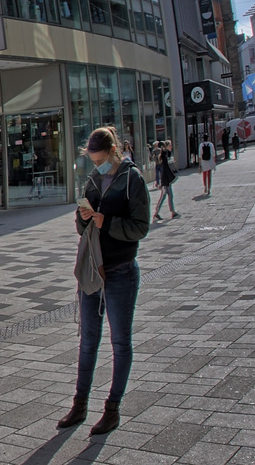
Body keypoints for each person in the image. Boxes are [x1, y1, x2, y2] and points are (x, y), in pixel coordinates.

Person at [60, 127, 150, 436]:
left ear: (113, 152)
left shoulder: (132, 179)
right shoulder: (92, 180)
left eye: (100, 159)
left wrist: (107, 222)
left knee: (120, 341)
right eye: (92, 160)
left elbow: (140, 228)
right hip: (93, 271)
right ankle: (79, 404)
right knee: (88, 340)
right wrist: (84, 218)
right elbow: (79, 224)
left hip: (121, 270)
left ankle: (112, 408)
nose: (95, 165)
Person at [153, 142, 180, 222]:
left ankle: (159, 212)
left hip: (165, 179)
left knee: (166, 195)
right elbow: (165, 169)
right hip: (166, 180)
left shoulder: (165, 154)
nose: (171, 146)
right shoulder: (164, 155)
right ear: (166, 146)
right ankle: (171, 212)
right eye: (170, 145)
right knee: (167, 195)